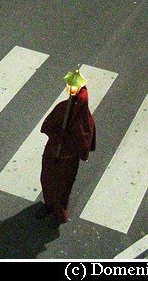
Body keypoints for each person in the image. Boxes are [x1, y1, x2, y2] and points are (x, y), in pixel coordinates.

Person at [36, 69, 96, 225]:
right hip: (52, 152)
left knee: (62, 188)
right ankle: (49, 205)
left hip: (67, 160)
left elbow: (83, 143)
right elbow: (47, 126)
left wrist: (68, 138)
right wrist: (57, 134)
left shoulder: (84, 120)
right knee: (47, 180)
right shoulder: (62, 108)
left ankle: (59, 213)